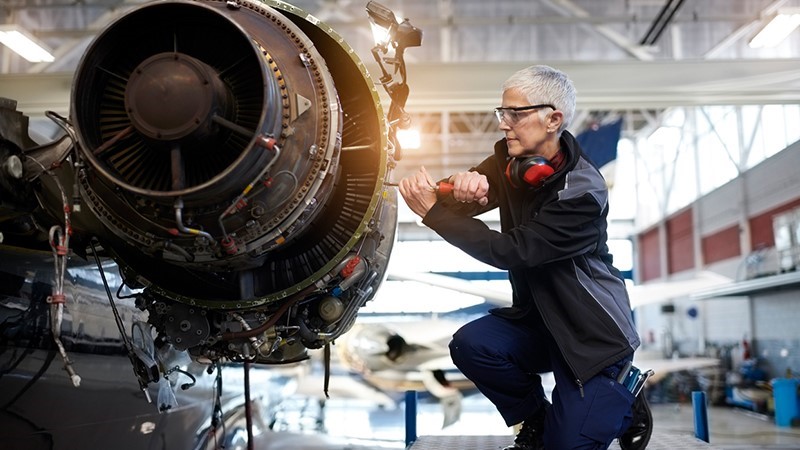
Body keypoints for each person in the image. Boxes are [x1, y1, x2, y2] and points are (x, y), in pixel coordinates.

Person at [397, 65, 652, 450]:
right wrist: (464, 184)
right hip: (539, 324)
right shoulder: (511, 161)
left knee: (567, 447)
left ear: (553, 119)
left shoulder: (582, 192)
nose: (504, 124)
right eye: (502, 113)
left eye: (515, 114)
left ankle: (624, 403)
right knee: (472, 344)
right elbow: (462, 202)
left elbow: (513, 250)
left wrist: (433, 213)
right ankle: (534, 420)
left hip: (590, 336)